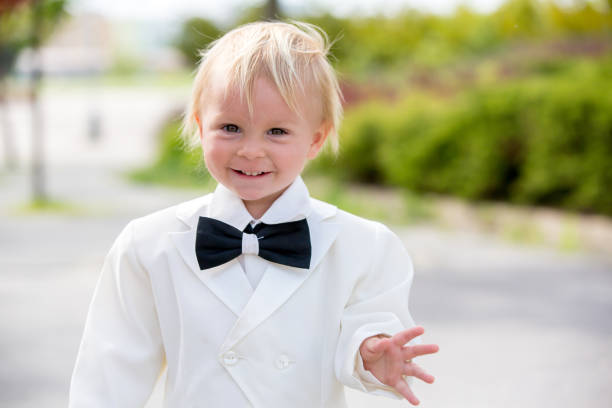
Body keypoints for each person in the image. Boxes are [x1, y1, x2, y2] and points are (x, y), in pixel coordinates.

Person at [69, 20, 439, 407]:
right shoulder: (147, 244)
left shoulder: (364, 244)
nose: (250, 150)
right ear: (200, 126)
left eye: (276, 131)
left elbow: (372, 327)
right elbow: (109, 371)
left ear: (315, 139)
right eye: (230, 127)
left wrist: (371, 353)